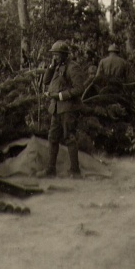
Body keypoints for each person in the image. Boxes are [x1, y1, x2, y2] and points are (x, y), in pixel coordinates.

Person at [38, 40, 87, 178]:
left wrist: (60, 95)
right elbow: (46, 81)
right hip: (56, 109)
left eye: (57, 55)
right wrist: (52, 66)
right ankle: (51, 169)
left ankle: (75, 171)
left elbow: (79, 88)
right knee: (52, 138)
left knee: (69, 138)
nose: (55, 57)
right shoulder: (57, 67)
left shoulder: (72, 67)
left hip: (68, 108)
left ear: (65, 55)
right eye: (53, 55)